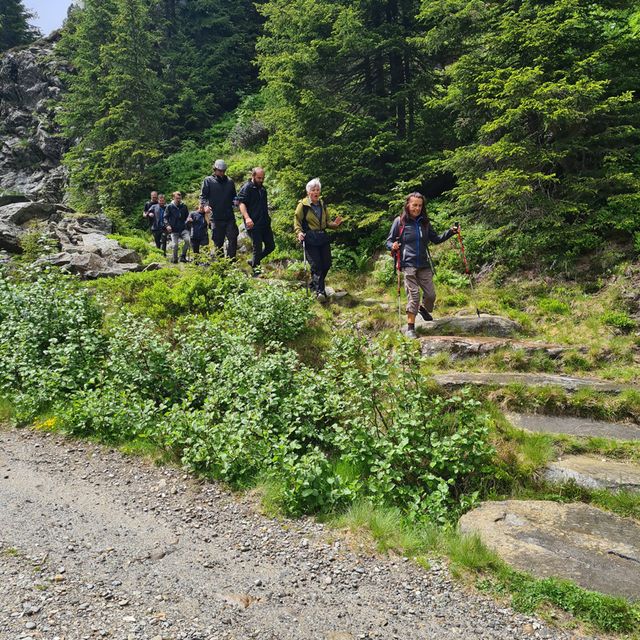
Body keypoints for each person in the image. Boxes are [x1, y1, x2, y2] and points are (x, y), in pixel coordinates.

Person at [386, 191, 459, 338]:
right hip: (408, 263)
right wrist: (392, 246)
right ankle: (410, 328)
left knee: (431, 295)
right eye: (414, 205)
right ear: (408, 205)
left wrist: (451, 232)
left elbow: (436, 239)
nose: (417, 208)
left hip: (424, 264)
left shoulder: (425, 223)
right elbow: (388, 241)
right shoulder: (399, 222)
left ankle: (423, 309)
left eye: (420, 205)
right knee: (413, 295)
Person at [294, 178, 343, 300]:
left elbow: (326, 222)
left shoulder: (322, 204)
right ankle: (320, 292)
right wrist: (299, 232)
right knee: (316, 265)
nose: (316, 192)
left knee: (326, 264)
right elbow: (297, 221)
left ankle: (313, 284)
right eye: (313, 190)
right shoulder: (303, 206)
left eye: (318, 190)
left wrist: (335, 225)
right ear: (308, 192)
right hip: (310, 238)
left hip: (322, 237)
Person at [238, 167, 274, 275]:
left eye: (263, 178)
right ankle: (256, 272)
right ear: (253, 176)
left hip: (264, 223)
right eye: (259, 178)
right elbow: (241, 203)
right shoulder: (247, 188)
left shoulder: (263, 189)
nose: (261, 180)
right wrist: (247, 217)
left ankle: (254, 261)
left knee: (271, 246)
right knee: (257, 246)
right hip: (253, 223)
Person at [199, 159, 238, 260]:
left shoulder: (230, 182)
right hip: (215, 217)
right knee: (218, 242)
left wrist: (236, 202)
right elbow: (203, 196)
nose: (222, 173)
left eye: (224, 171)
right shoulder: (208, 181)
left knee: (233, 238)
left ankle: (231, 262)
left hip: (229, 216)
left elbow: (234, 196)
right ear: (215, 170)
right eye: (220, 171)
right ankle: (220, 265)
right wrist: (205, 205)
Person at [165, 191, 190, 264]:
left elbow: (187, 216)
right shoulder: (169, 206)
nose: (178, 200)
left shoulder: (184, 206)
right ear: (173, 198)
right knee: (175, 245)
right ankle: (175, 259)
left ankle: (183, 256)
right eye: (177, 198)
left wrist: (188, 219)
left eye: (179, 198)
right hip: (174, 229)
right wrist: (167, 225)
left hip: (183, 228)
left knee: (188, 241)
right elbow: (165, 217)